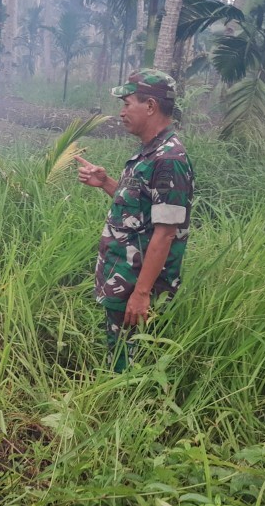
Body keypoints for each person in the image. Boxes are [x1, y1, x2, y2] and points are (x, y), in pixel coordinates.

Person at [75, 69, 195, 372]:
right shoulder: (149, 153)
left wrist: (142, 294)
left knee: (130, 368)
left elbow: (166, 233)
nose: (122, 111)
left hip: (138, 285)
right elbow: (142, 211)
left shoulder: (168, 160)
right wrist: (106, 183)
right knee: (120, 358)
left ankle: (127, 414)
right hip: (123, 277)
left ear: (151, 106)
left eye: (128, 103)